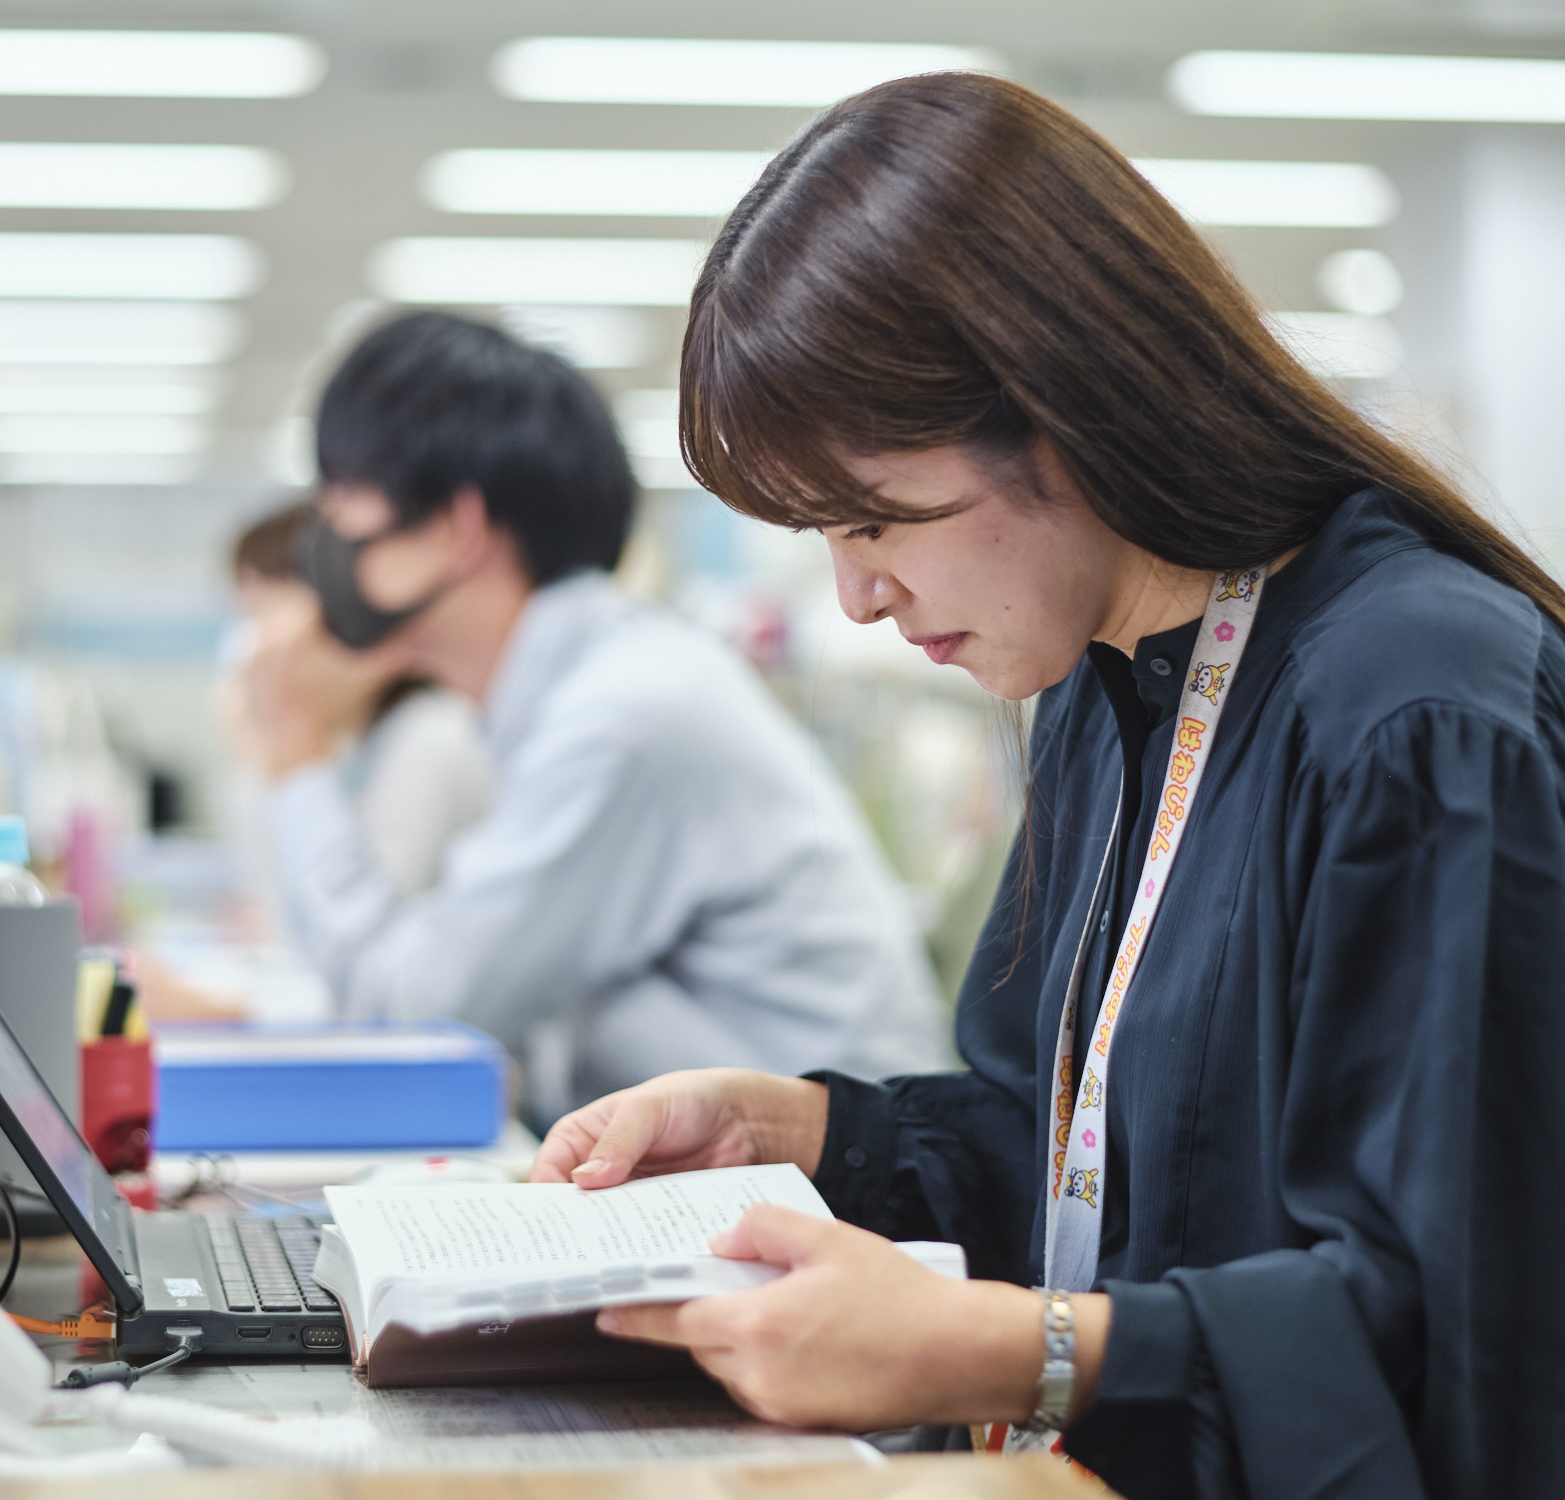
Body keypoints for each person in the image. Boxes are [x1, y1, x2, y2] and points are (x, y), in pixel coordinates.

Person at [531, 73, 1565, 1500]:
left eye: (878, 519)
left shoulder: (1412, 712)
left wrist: (1001, 1351)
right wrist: (795, 1133)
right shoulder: (1102, 677)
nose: (855, 596)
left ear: (1066, 413)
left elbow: (1446, 1341)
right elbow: (1089, 1163)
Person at [241, 311, 954, 1121]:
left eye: (344, 504)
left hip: (841, 1204)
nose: (329, 544)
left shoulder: (620, 716)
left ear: (452, 529)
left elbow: (410, 1014)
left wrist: (294, 745)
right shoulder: (576, 689)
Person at [222, 501, 492, 896]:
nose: (251, 652)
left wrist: (280, 739)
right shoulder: (366, 744)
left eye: (263, 611)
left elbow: (346, 932)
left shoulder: (432, 738)